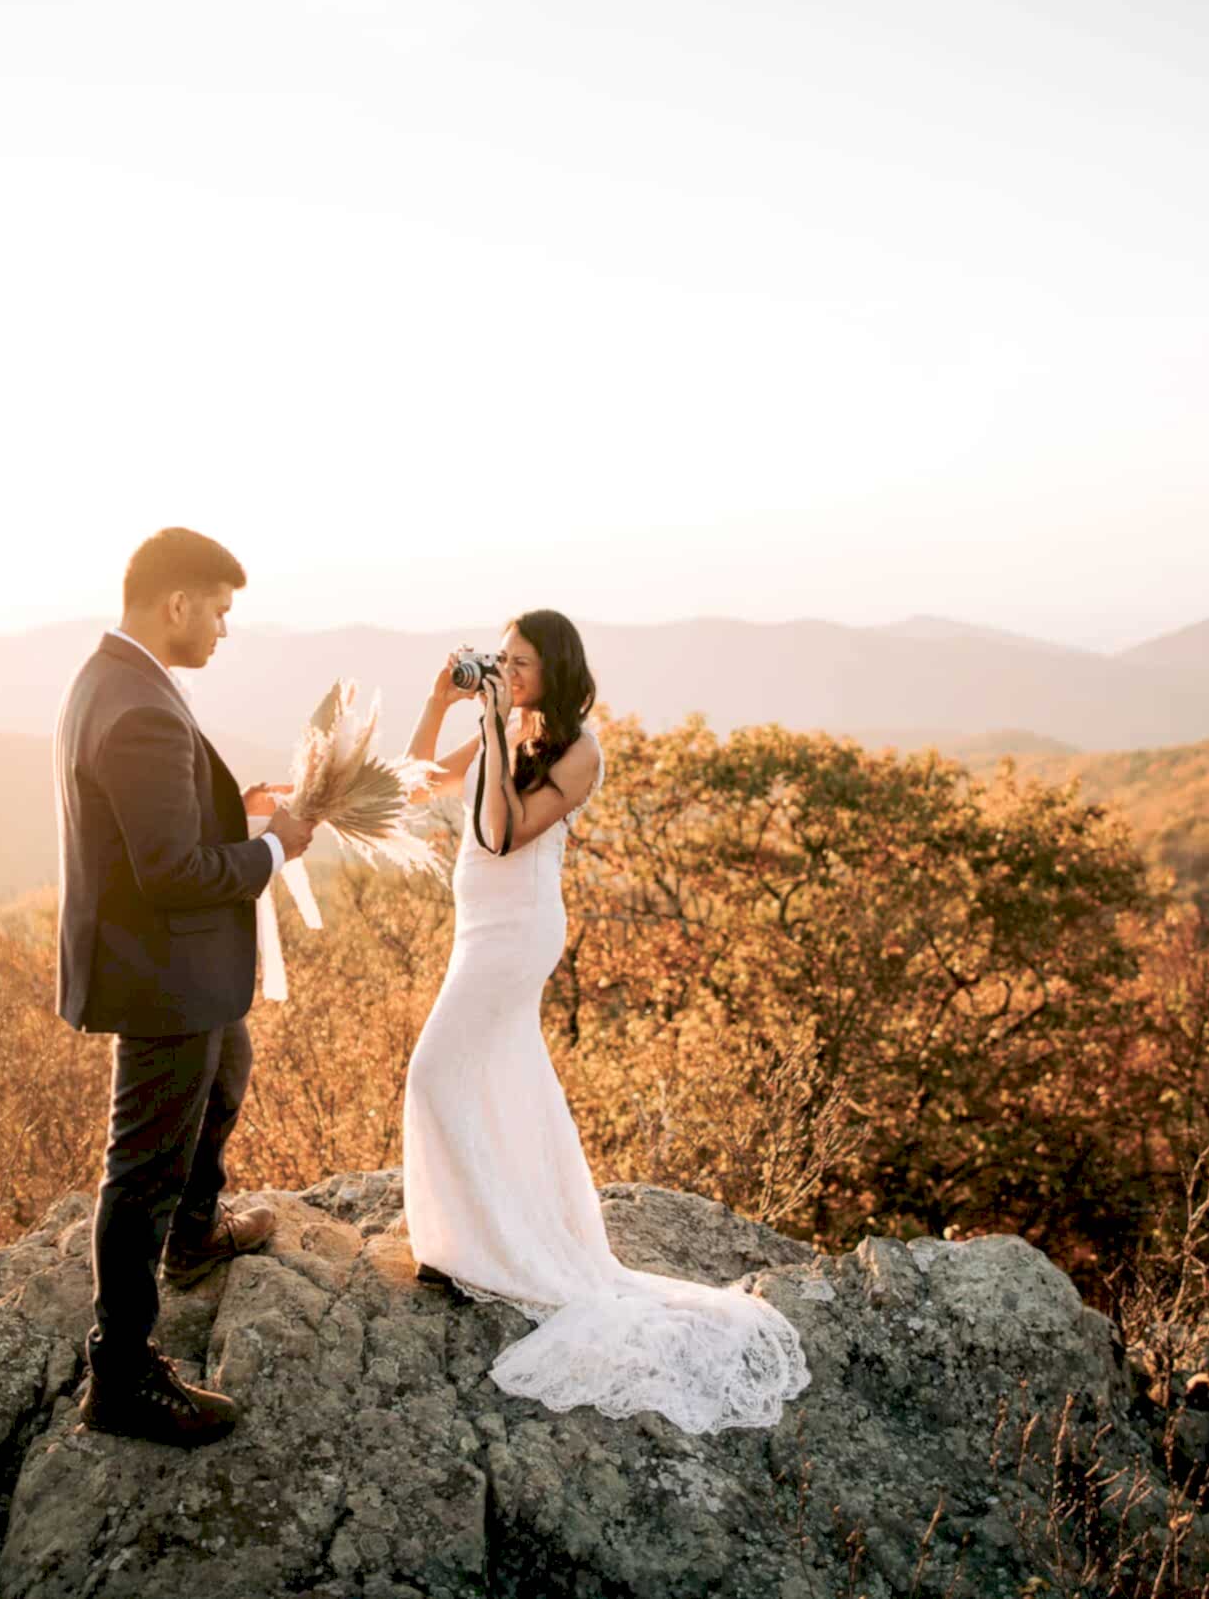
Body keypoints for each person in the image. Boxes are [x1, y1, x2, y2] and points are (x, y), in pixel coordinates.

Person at [398, 610, 812, 1434]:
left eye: (519, 663)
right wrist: (443, 702)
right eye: (499, 661)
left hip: (515, 936)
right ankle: (481, 1236)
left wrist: (488, 723)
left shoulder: (580, 750)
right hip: (477, 930)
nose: (506, 674)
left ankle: (474, 1248)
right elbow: (416, 787)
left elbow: (503, 832)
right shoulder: (501, 724)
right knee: (503, 1074)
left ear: (554, 668)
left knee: (437, 1071)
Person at [53, 526, 318, 1447]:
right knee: (140, 1171)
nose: (222, 629)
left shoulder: (113, 679)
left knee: (228, 1070)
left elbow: (152, 824)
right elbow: (168, 871)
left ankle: (196, 1230)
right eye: (218, 609)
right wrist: (276, 848)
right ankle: (120, 1373)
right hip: (158, 971)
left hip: (177, 968)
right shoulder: (143, 709)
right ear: (176, 604)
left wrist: (232, 812)